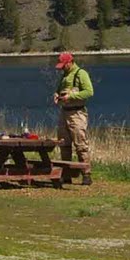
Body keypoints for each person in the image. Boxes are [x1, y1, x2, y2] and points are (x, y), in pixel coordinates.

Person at [52, 52, 94, 185]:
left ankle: (86, 174)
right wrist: (56, 95)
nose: (62, 68)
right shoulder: (64, 75)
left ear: (70, 62)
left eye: (64, 65)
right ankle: (67, 174)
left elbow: (89, 92)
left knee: (80, 145)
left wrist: (70, 96)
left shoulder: (81, 74)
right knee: (64, 144)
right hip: (64, 112)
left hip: (77, 113)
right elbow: (59, 90)